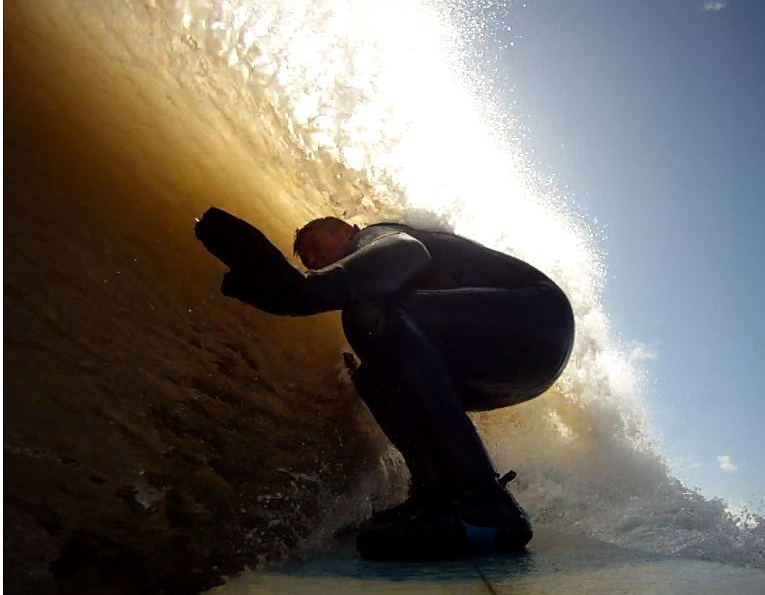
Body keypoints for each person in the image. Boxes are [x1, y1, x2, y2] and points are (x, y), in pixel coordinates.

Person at [194, 207, 575, 560]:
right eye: (305, 259)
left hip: (536, 317)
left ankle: (484, 504)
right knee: (374, 377)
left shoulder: (380, 234)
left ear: (346, 230)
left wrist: (305, 289)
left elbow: (407, 252)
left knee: (369, 313)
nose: (311, 259)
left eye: (314, 245)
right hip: (516, 359)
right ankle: (437, 496)